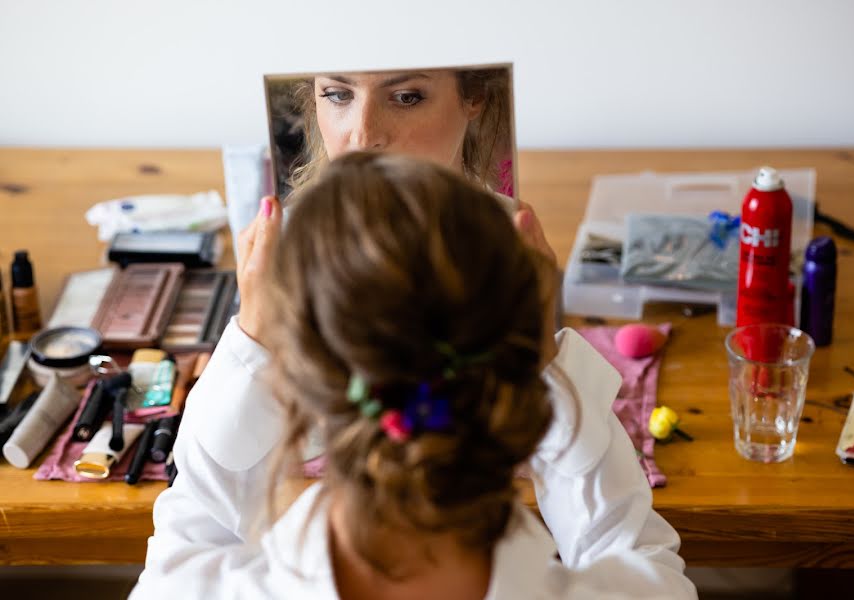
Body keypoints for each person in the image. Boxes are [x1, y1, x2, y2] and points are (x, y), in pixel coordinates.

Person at [131, 153, 697, 599]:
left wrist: (249, 342)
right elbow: (634, 551)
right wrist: (542, 353)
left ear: (297, 387)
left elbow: (198, 514)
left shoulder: (187, 589)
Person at [278, 67, 513, 197]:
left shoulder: (516, 245)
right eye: (338, 95)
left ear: (474, 96)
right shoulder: (278, 252)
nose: (364, 138)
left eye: (406, 97)